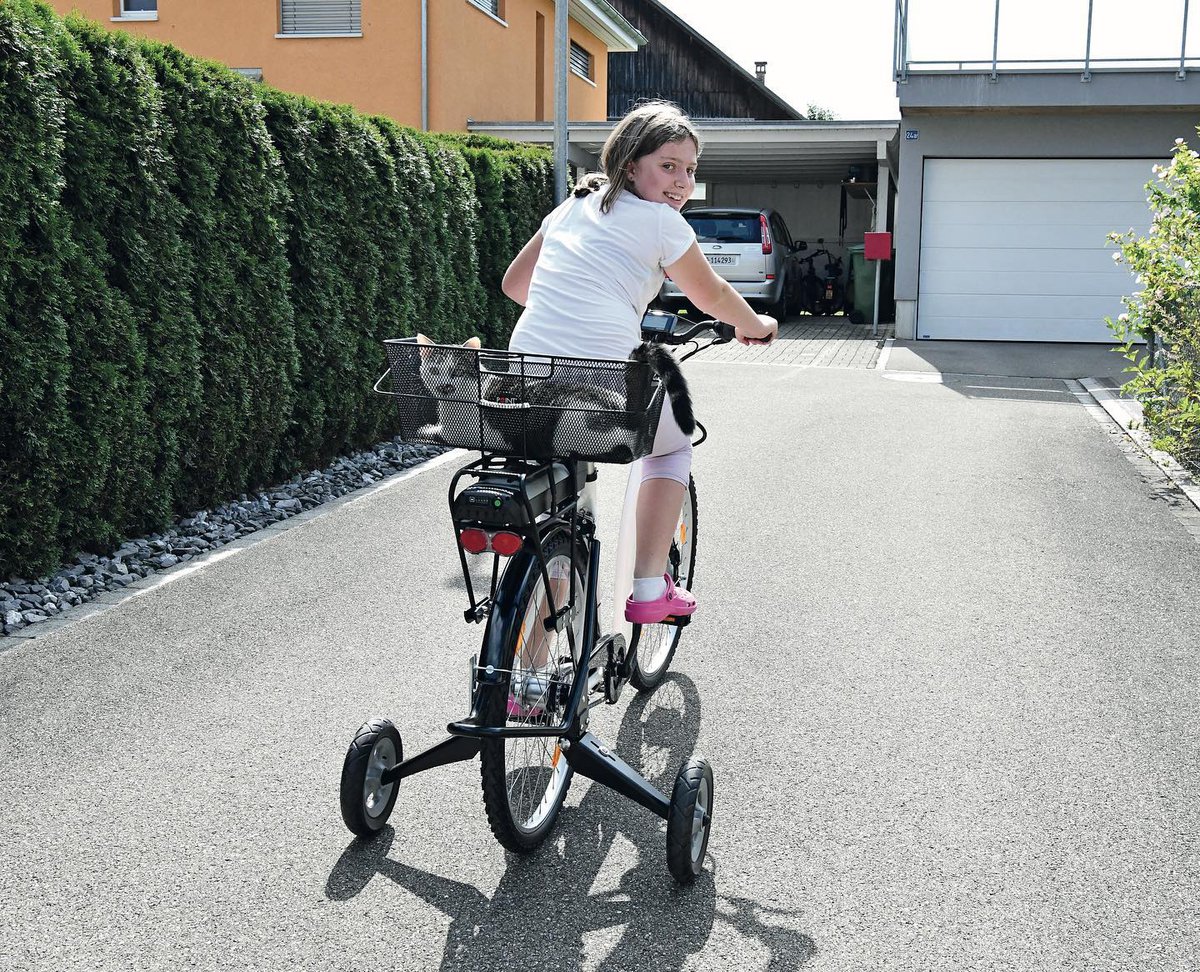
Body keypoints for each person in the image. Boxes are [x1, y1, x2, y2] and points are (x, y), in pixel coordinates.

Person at [501, 100, 777, 625]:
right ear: (630, 164)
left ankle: (529, 674)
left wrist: (574, 303)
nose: (682, 183)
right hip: (603, 377)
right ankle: (651, 587)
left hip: (527, 374)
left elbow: (516, 285)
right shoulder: (660, 224)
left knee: (560, 513)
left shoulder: (571, 208)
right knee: (673, 446)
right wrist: (755, 326)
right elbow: (711, 293)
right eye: (668, 166)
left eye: (691, 171)